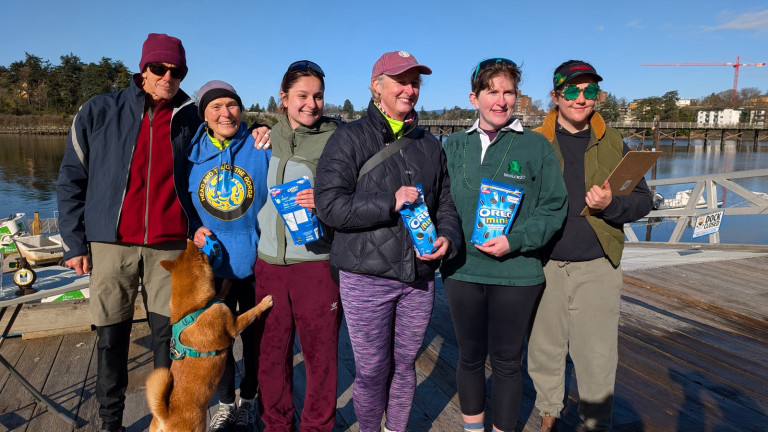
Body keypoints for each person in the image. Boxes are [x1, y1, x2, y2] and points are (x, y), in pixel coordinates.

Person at [56, 33, 200, 432]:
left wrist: (257, 129)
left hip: (170, 248)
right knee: (111, 338)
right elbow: (71, 178)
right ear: (143, 69)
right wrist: (73, 241)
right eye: (159, 68)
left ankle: (164, 421)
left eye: (176, 71)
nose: (167, 77)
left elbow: (227, 138)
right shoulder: (100, 110)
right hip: (110, 244)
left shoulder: (191, 117)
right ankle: (110, 423)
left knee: (166, 340)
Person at [314, 50, 462, 432]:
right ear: (376, 86)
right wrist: (388, 202)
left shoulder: (430, 143)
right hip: (366, 278)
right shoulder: (348, 138)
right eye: (401, 80)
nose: (409, 89)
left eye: (415, 81)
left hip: (419, 278)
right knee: (371, 370)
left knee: (404, 365)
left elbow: (444, 200)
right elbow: (329, 205)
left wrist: (447, 237)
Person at [440, 58, 568, 432]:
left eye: (508, 92)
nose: (500, 100)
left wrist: (516, 240)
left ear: (517, 97)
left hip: (517, 272)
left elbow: (553, 206)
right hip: (461, 269)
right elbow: (439, 201)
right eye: (491, 91)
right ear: (474, 97)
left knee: (508, 361)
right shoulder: (453, 145)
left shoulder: (536, 147)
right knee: (469, 357)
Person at [527, 60, 653, 432]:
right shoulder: (534, 141)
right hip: (544, 264)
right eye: (571, 90)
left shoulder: (614, 142)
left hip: (598, 265)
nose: (581, 98)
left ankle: (596, 424)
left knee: (597, 357)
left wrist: (610, 206)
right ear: (555, 95)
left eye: (590, 90)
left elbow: (643, 200)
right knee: (544, 351)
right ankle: (548, 418)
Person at [253, 60, 341, 432]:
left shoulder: (339, 140)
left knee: (321, 357)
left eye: (318, 96)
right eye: (302, 95)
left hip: (317, 265)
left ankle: (317, 426)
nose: (311, 103)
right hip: (269, 264)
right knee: (271, 354)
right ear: (284, 98)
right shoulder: (263, 139)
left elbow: (355, 196)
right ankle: (276, 423)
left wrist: (325, 202)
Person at [185, 80, 271, 432]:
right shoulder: (190, 154)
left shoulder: (260, 143)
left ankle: (249, 401)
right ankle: (224, 404)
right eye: (216, 107)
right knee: (216, 344)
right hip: (211, 268)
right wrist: (192, 228)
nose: (226, 112)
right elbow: (181, 203)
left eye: (232, 105)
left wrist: (270, 129)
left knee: (254, 342)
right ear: (204, 115)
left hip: (255, 263)